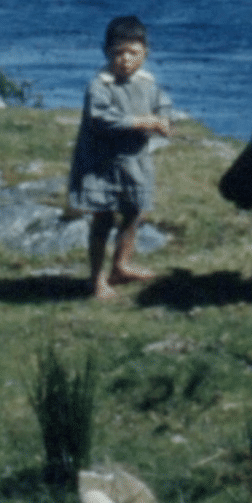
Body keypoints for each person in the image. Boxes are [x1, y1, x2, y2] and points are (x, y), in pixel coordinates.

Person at [67, 15, 173, 300]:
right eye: (118, 53)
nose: (125, 60)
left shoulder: (148, 84)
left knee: (133, 214)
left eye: (133, 53)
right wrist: (142, 122)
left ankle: (122, 266)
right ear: (106, 52)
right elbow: (102, 119)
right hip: (100, 166)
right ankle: (96, 278)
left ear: (145, 53)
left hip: (134, 163)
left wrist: (163, 120)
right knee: (102, 220)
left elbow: (162, 104)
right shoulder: (100, 86)